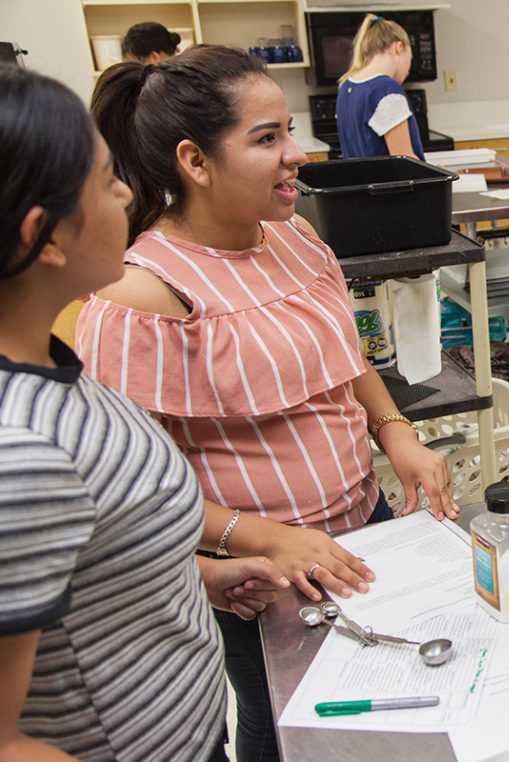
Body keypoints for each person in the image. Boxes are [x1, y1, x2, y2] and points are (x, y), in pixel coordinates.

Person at [83, 46, 458, 761]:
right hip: (257, 572)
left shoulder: (296, 237)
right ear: (194, 160)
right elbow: (128, 499)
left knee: (384, 707)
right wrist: (264, 540)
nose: (296, 153)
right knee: (288, 725)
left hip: (364, 527)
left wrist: (398, 436)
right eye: (267, 139)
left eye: (288, 130)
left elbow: (346, 365)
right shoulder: (142, 296)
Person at [0, 64, 289, 761]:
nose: (129, 192)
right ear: (47, 235)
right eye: (105, 181)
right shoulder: (21, 452)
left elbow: (69, 565)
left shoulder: (52, 371)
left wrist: (180, 574)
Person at [335, 14, 423, 160]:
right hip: (390, 183)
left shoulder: (346, 87)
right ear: (399, 48)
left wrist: (432, 170)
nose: (408, 71)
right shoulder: (386, 89)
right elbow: (405, 162)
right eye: (410, 59)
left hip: (359, 182)